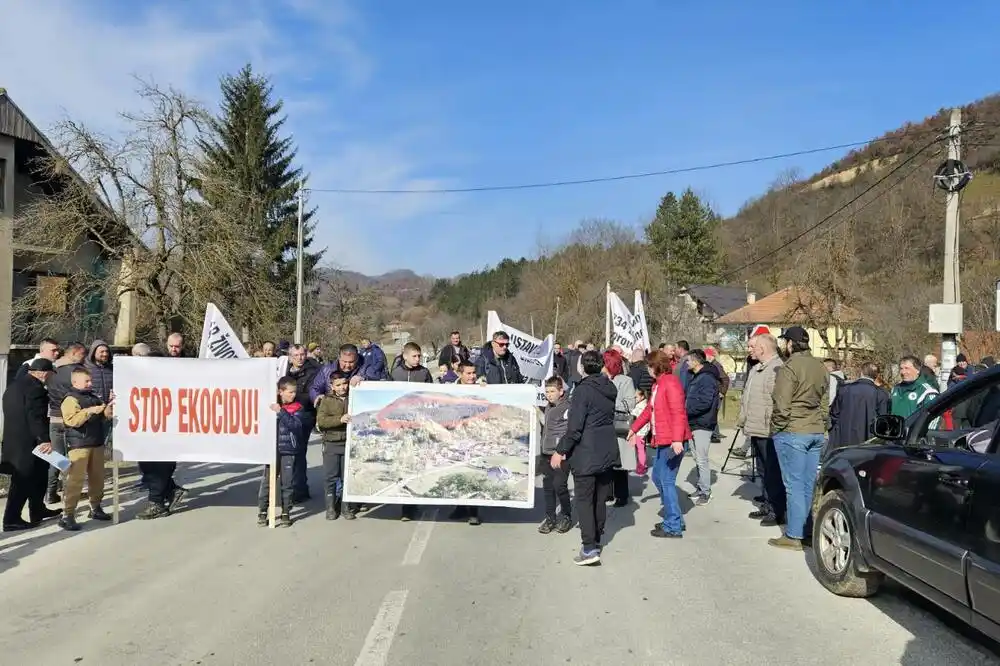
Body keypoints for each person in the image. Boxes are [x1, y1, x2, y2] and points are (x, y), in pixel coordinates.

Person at [552, 350, 620, 566]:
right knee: (599, 499)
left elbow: (575, 428)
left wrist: (560, 450)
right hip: (606, 449)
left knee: (584, 500)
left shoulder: (583, 391)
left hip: (587, 452)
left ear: (582, 367)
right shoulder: (610, 387)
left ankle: (589, 547)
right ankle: (596, 539)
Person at [769, 326, 829, 551]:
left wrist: (778, 428)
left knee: (793, 484)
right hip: (814, 429)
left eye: (785, 342)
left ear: (791, 344)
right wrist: (822, 424)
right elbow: (824, 401)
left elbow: (781, 404)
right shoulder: (820, 366)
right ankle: (806, 530)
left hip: (793, 430)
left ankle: (794, 534)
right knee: (807, 484)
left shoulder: (789, 367)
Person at [628, 350, 690, 539]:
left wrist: (678, 439)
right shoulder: (658, 384)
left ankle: (673, 525)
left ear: (656, 365)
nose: (647, 369)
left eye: (649, 365)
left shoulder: (670, 383)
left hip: (673, 441)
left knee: (666, 480)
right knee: (657, 476)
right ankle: (675, 518)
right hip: (664, 440)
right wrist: (634, 428)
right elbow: (649, 410)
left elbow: (678, 412)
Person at [2, 358, 61, 530]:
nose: (51, 378)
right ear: (43, 373)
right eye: (51, 374)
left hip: (15, 441)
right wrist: (44, 439)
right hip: (30, 443)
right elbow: (35, 417)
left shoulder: (14, 386)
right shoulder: (35, 389)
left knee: (39, 475)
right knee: (23, 480)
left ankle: (38, 510)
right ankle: (11, 519)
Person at [735, 334, 785, 527]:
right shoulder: (757, 368)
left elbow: (777, 402)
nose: (749, 350)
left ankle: (776, 509)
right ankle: (766, 503)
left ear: (762, 348)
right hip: (755, 427)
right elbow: (748, 398)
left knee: (773, 471)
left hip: (768, 429)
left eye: (752, 347)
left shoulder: (777, 369)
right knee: (763, 470)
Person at [137, 333, 188, 519]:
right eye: (171, 346)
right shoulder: (157, 363)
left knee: (163, 463)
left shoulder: (190, 365)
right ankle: (172, 490)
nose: (174, 349)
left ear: (182, 346)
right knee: (146, 463)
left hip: (173, 424)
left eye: (177, 346)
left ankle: (156, 502)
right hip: (151, 424)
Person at [58, 367, 114, 531]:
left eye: (90, 381)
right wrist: (89, 412)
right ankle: (67, 514)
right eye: (87, 381)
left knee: (97, 478)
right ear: (75, 382)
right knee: (75, 480)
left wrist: (108, 407)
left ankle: (95, 507)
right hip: (79, 445)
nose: (90, 384)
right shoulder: (70, 399)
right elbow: (72, 421)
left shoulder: (93, 397)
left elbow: (105, 417)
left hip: (96, 442)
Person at [258, 377, 306, 528]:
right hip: (271, 449)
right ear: (281, 392)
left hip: (288, 450)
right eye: (290, 392)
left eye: (294, 392)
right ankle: (262, 511)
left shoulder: (297, 408)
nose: (293, 395)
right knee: (267, 481)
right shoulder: (270, 405)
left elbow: (296, 427)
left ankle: (286, 512)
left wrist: (281, 413)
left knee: (287, 482)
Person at [44, 342, 87, 504]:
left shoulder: (52, 371)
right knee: (77, 457)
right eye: (83, 354)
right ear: (74, 353)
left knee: (56, 457)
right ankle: (71, 492)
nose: (84, 358)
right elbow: (82, 394)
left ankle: (50, 492)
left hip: (54, 418)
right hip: (72, 418)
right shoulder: (77, 373)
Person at [449, 360, 484, 526]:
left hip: (473, 436)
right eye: (468, 373)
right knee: (458, 472)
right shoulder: (449, 389)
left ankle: (474, 512)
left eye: (474, 373)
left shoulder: (480, 388)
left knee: (472, 472)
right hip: (455, 436)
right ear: (459, 374)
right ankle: (460, 507)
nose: (472, 376)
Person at [684, 349, 720, 505]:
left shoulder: (706, 378)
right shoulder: (696, 377)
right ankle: (700, 487)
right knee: (697, 458)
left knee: (702, 459)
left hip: (703, 423)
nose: (686, 363)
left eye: (688, 360)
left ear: (696, 362)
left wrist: (686, 410)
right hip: (693, 422)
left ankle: (705, 492)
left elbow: (705, 402)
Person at [316, 372, 353, 520]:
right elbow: (322, 421)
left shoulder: (354, 397)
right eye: (338, 385)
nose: (343, 387)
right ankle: (330, 508)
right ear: (332, 386)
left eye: (345, 383)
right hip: (331, 443)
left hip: (348, 443)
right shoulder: (326, 400)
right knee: (331, 477)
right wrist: (340, 419)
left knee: (346, 477)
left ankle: (345, 507)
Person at [287, 344, 321, 503]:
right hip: (285, 414)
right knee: (288, 452)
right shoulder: (285, 370)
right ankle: (290, 487)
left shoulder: (313, 371)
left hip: (304, 415)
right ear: (290, 357)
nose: (299, 358)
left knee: (298, 452)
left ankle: (299, 489)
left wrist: (291, 396)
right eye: (296, 355)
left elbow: (310, 394)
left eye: (302, 354)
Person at [538, 376, 572, 534]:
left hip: (560, 454)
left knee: (560, 486)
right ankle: (550, 517)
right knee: (548, 487)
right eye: (547, 392)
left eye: (552, 391)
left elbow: (569, 430)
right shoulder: (549, 407)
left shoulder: (566, 407)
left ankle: (566, 515)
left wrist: (563, 450)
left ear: (561, 391)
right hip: (546, 452)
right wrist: (536, 411)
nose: (549, 394)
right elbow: (547, 423)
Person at [829, 362, 890, 450]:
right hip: (868, 442)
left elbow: (834, 413)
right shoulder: (881, 393)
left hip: (843, 438)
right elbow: (882, 420)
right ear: (877, 375)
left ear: (861, 372)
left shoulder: (844, 389)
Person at [604, 349, 637, 507]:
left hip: (617, 422)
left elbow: (630, 403)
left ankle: (621, 494)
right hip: (602, 423)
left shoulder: (625, 380)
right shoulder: (599, 378)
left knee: (620, 461)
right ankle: (607, 493)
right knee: (604, 461)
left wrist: (609, 403)